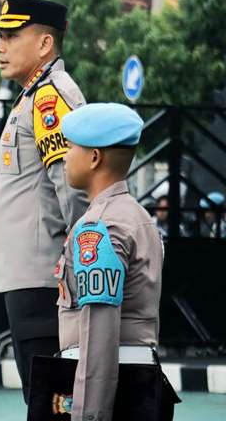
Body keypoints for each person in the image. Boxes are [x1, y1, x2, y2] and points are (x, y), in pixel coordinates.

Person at [0, 0, 88, 399]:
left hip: (46, 276)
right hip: (29, 273)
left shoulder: (49, 97)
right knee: (43, 397)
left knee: (52, 401)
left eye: (11, 35)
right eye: (0, 37)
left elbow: (73, 185)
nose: (0, 46)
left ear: (45, 43)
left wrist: (76, 261)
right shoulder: (32, 95)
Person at [50, 103, 172, 420]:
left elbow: (99, 328)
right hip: (135, 377)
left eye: (71, 146)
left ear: (94, 157)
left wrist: (89, 414)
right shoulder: (138, 217)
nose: (64, 156)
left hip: (110, 384)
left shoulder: (100, 227)